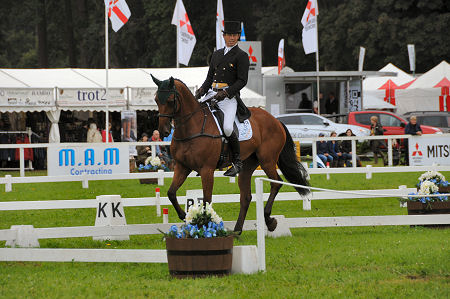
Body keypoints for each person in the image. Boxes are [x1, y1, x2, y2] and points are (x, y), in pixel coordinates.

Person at [194, 20, 250, 177]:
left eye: (234, 35)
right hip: (212, 94)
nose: (231, 38)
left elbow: (242, 81)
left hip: (229, 98)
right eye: (228, 35)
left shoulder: (241, 56)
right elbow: (209, 78)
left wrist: (226, 93)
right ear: (224, 36)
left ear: (238, 36)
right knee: (198, 119)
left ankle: (237, 162)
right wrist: (200, 91)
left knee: (227, 128)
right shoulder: (217, 54)